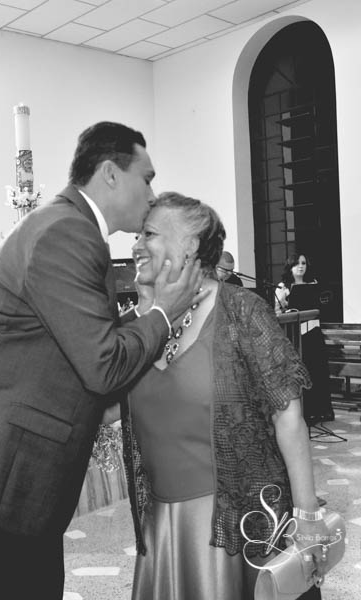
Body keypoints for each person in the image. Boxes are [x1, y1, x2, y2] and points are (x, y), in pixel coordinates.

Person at [0, 122, 207, 600]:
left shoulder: (69, 227)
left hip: (12, 486)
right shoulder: (67, 231)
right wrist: (162, 314)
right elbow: (103, 365)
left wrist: (149, 321)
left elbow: (82, 349)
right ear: (110, 173)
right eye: (147, 178)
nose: (152, 194)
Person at [121, 192, 329, 600]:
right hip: (165, 529)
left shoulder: (242, 311)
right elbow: (107, 408)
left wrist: (307, 516)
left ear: (190, 245)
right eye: (137, 236)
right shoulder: (140, 324)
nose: (136, 246)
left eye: (149, 234)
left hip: (238, 521)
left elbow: (287, 417)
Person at [275, 253, 334, 426]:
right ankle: (306, 412)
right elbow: (277, 313)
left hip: (313, 332)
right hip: (296, 335)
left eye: (303, 263)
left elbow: (321, 307)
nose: (301, 266)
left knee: (318, 371)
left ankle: (321, 411)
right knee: (302, 373)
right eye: (296, 264)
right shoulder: (282, 287)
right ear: (290, 267)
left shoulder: (313, 284)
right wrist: (283, 304)